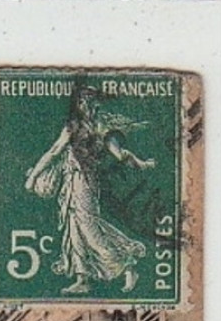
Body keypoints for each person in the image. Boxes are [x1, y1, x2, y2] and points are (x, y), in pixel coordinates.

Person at [23, 85, 156, 296]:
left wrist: (32, 178)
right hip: (77, 181)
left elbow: (55, 151)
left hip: (82, 181)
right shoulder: (100, 126)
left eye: (89, 101)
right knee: (75, 226)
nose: (88, 105)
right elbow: (121, 155)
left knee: (88, 227)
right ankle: (82, 278)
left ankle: (126, 264)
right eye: (87, 101)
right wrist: (142, 163)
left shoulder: (79, 127)